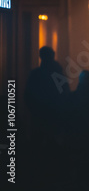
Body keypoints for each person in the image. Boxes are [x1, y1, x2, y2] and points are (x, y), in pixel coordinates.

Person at [24, 46, 70, 187]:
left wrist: (34, 110)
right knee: (55, 144)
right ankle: (55, 174)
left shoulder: (35, 74)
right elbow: (65, 94)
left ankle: (38, 175)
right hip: (55, 115)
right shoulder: (58, 73)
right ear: (53, 55)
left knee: (38, 145)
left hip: (39, 115)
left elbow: (28, 95)